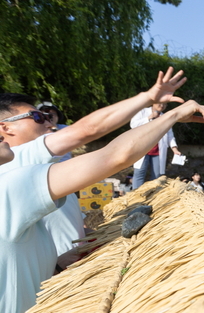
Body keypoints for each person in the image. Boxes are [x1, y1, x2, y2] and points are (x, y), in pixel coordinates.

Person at [0, 91, 204, 313]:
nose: (48, 121)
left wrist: (56, 263)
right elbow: (115, 156)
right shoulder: (8, 184)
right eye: (37, 116)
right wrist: (172, 115)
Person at [0, 69, 188, 264]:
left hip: (67, 272)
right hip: (61, 286)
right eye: (38, 117)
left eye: (49, 116)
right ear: (5, 127)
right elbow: (97, 138)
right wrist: (165, 110)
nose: (49, 122)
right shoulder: (16, 171)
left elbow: (72, 229)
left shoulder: (47, 170)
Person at [130, 102, 182, 189]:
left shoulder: (166, 117)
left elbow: (170, 134)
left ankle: (153, 198)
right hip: (143, 148)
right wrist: (149, 117)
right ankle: (135, 198)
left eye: (164, 104)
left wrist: (175, 149)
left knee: (157, 175)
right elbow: (133, 125)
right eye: (159, 103)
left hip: (157, 151)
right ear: (153, 103)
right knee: (139, 173)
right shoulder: (142, 112)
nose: (162, 106)